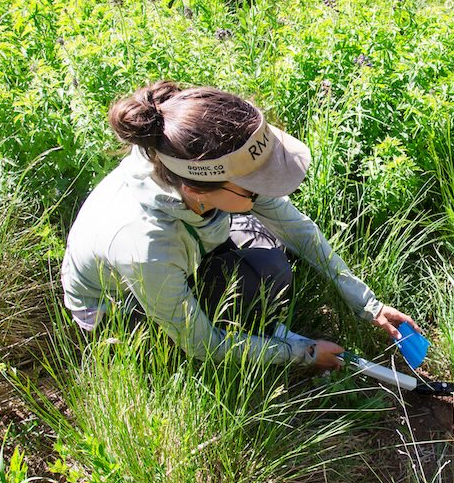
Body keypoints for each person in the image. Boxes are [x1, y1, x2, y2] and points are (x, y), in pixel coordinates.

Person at [61, 80, 419, 371]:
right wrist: (302, 353)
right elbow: (204, 345)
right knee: (242, 302)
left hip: (186, 240)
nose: (265, 191)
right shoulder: (145, 247)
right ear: (196, 187)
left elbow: (298, 229)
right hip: (121, 308)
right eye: (254, 186)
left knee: (271, 271)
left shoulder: (180, 156)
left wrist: (368, 305)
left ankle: (242, 315)